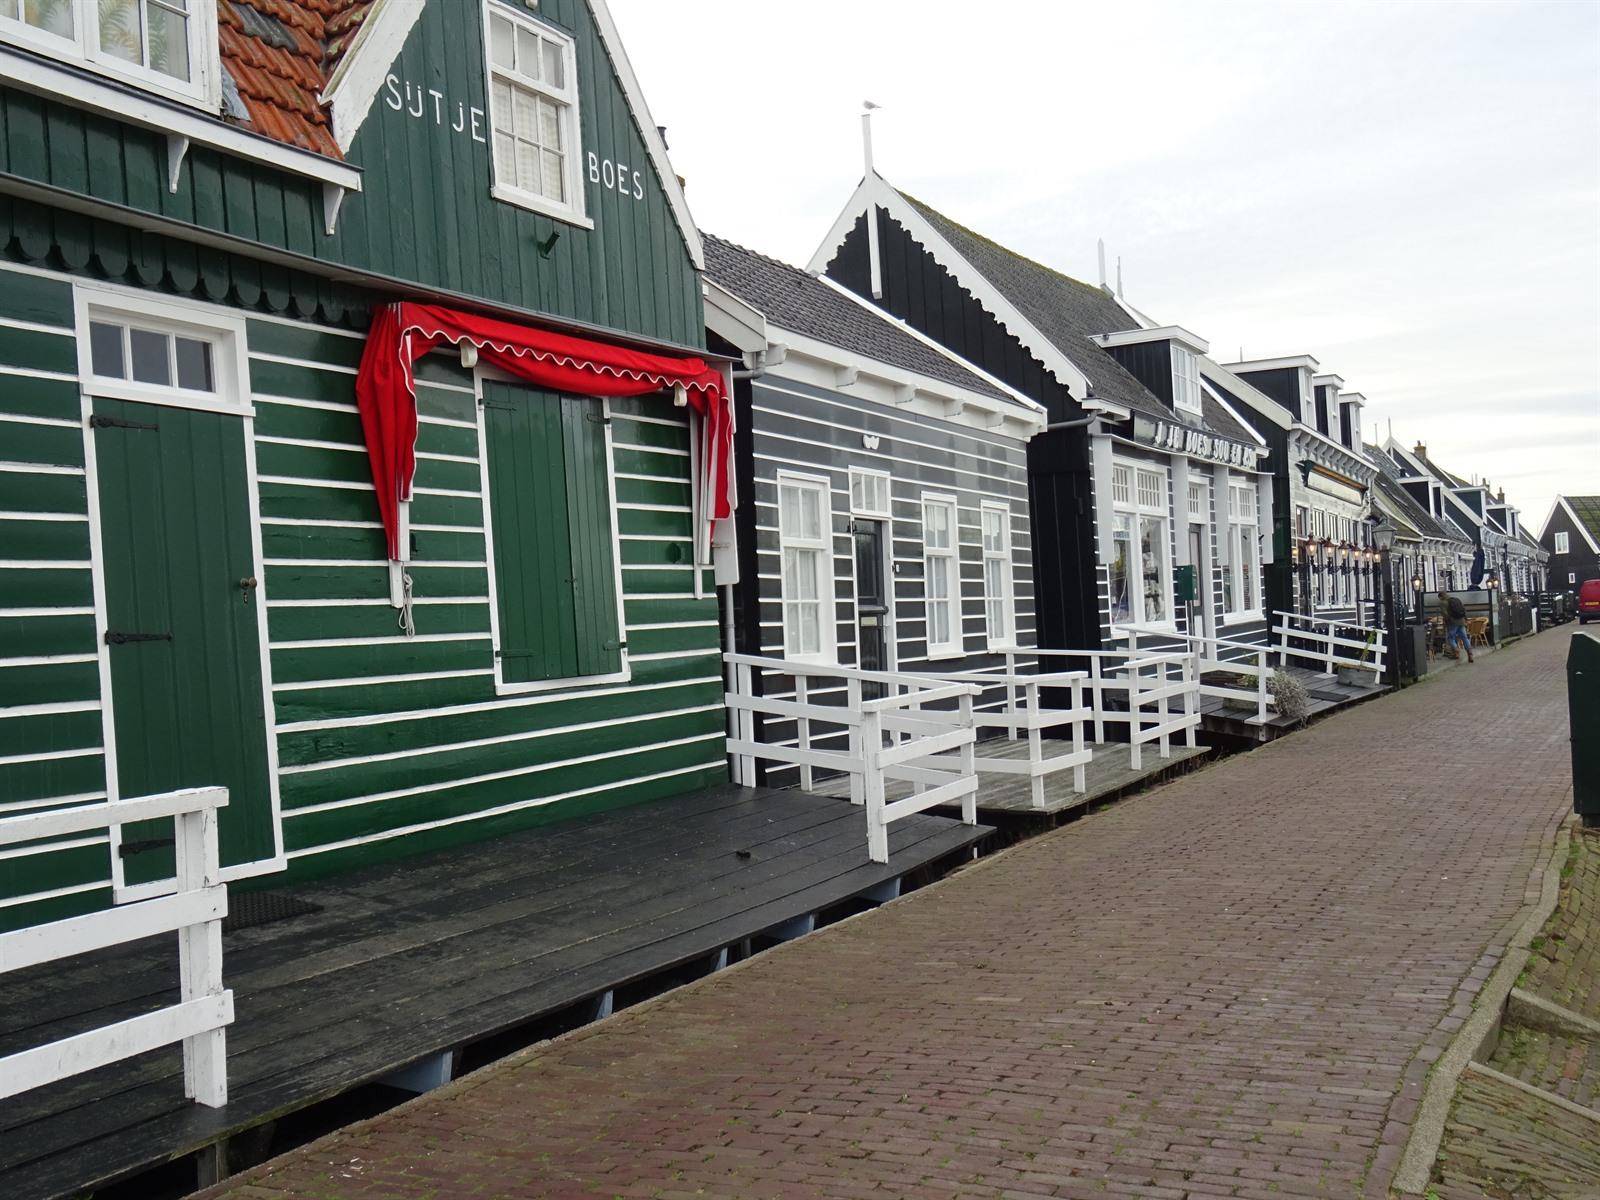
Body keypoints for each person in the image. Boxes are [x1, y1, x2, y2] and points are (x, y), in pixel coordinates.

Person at [1438, 590, 1473, 663]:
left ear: (1441, 597)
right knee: (1464, 637)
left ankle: (1456, 651)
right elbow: (1463, 610)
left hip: (1453, 623)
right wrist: (1465, 619)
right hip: (1461, 621)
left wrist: (1448, 621)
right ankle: (1470, 653)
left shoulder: (1443, 603)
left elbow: (1445, 614)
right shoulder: (1456, 599)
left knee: (1451, 638)